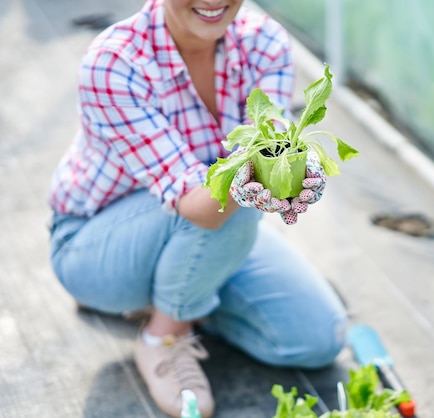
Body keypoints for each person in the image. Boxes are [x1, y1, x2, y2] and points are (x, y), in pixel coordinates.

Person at [47, 1, 348, 417]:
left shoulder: (264, 42)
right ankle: (164, 336)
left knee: (317, 339)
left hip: (209, 230)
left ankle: (184, 297)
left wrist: (296, 172)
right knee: (233, 190)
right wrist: (266, 172)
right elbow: (201, 202)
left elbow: (273, 150)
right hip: (97, 247)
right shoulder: (113, 62)